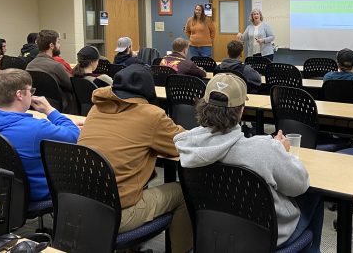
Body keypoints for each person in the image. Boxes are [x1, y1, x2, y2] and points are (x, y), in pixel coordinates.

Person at [175, 74, 323, 252]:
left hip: (213, 234)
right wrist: (280, 152)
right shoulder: (264, 149)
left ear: (203, 106)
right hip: (265, 238)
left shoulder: (187, 145)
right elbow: (299, 185)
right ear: (241, 111)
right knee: (315, 195)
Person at [77, 65, 192, 253]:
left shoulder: (95, 109)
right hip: (117, 215)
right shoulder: (151, 115)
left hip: (79, 205)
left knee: (136, 176)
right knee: (182, 192)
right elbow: (182, 144)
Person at [0, 69, 81, 201]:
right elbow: (75, 135)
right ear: (20, 94)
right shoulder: (37, 128)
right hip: (35, 193)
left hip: (1, 191)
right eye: (30, 91)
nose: (32, 95)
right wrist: (50, 111)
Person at [26, 30, 76, 114]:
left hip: (36, 106)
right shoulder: (56, 66)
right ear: (52, 45)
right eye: (58, 42)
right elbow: (72, 86)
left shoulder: (29, 65)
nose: (59, 45)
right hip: (59, 109)